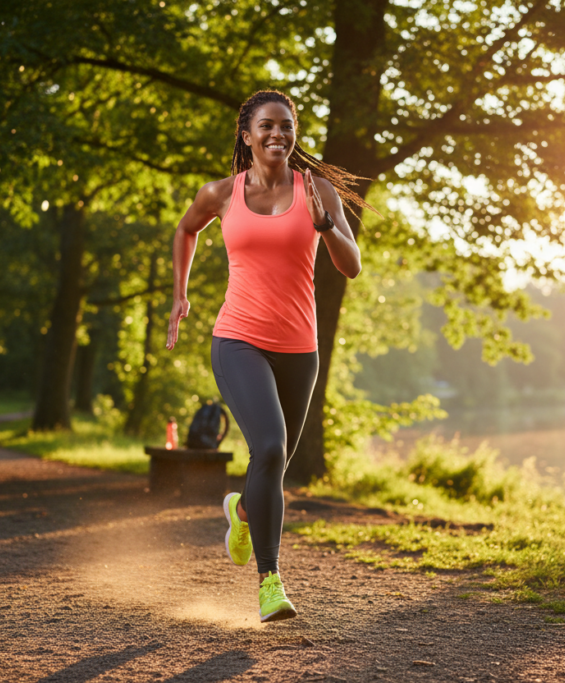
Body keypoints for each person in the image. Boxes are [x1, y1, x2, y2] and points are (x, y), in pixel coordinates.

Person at [165, 90, 376, 623]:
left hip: (300, 348)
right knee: (272, 446)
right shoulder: (220, 194)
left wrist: (328, 227)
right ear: (247, 134)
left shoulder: (316, 190)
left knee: (270, 463)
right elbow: (186, 229)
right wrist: (180, 294)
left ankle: (240, 509)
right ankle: (270, 581)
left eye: (287, 126)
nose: (277, 134)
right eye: (267, 125)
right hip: (238, 339)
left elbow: (351, 266)